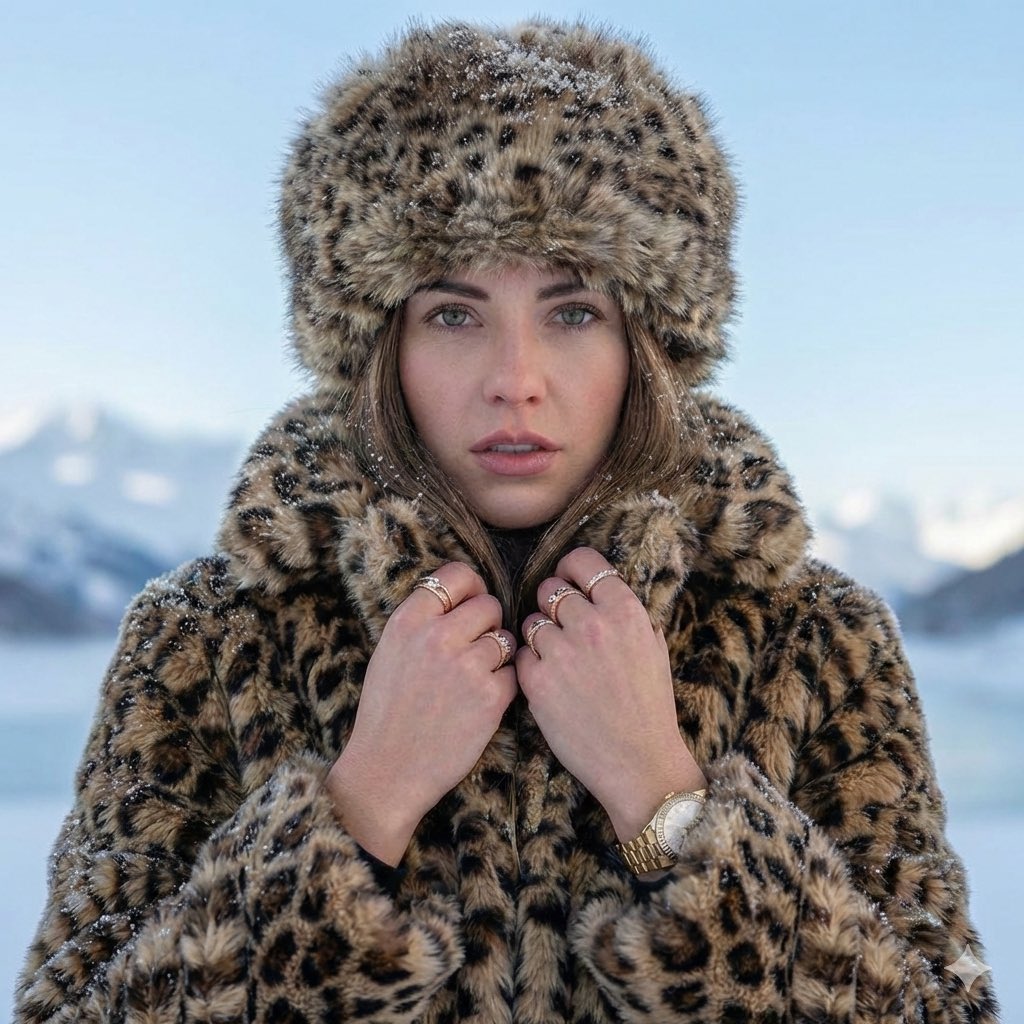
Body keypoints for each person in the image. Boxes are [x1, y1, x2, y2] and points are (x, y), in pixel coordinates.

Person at [15, 20, 999, 1024]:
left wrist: (666, 800)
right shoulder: (203, 639)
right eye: (454, 314)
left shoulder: (818, 641)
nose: (515, 380)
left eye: (572, 313)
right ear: (379, 347)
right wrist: (362, 807)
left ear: (648, 344)